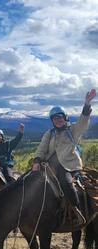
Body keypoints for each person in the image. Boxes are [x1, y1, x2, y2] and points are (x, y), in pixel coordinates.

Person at [32, 88, 97, 225]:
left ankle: (77, 211)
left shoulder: (72, 130)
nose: (58, 120)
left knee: (67, 183)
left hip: (68, 166)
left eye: (60, 117)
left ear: (65, 117)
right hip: (49, 166)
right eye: (55, 118)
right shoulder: (49, 134)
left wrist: (86, 105)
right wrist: (37, 160)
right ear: (52, 121)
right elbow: (41, 149)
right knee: (29, 181)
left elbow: (83, 123)